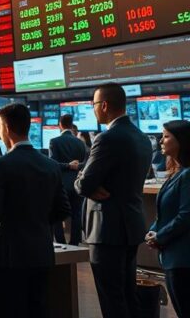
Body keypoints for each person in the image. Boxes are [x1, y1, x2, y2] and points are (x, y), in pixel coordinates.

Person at [0, 104, 69, 318]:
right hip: (41, 252)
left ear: (6, 128)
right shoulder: (50, 165)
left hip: (8, 256)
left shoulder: (0, 165)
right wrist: (37, 221)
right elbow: (63, 209)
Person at [75, 82, 153, 318]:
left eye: (94, 104)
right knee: (128, 294)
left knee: (112, 299)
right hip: (131, 225)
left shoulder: (107, 138)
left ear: (104, 105)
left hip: (107, 229)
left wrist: (81, 180)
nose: (93, 109)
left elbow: (84, 183)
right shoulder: (141, 136)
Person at [146, 120, 190, 318]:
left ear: (181, 141)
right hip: (173, 256)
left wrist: (159, 236)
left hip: (183, 259)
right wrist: (154, 230)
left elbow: (186, 216)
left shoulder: (187, 175)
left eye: (165, 136)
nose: (161, 141)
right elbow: (166, 212)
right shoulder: (178, 172)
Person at [49, 114, 87, 245]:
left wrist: (67, 165)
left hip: (61, 185)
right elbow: (84, 164)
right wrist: (76, 166)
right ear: (71, 125)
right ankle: (75, 243)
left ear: (60, 125)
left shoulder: (54, 141)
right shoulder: (80, 143)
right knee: (76, 214)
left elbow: (53, 164)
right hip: (77, 184)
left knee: (57, 215)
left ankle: (60, 242)